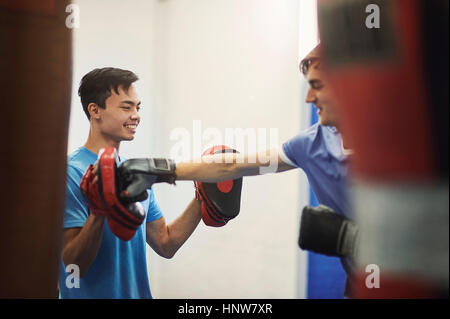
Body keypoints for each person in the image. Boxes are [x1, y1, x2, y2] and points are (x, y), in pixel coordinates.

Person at [113, 44, 356, 297]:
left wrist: (358, 240)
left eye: (316, 86)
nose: (308, 97)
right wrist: (161, 171)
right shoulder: (309, 144)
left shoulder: (396, 142)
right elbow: (232, 165)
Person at [59, 67, 202, 299]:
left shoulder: (134, 172)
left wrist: (202, 198)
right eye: (126, 107)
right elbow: (74, 267)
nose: (136, 115)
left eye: (137, 107)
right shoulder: (71, 173)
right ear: (95, 110)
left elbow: (165, 243)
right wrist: (99, 210)